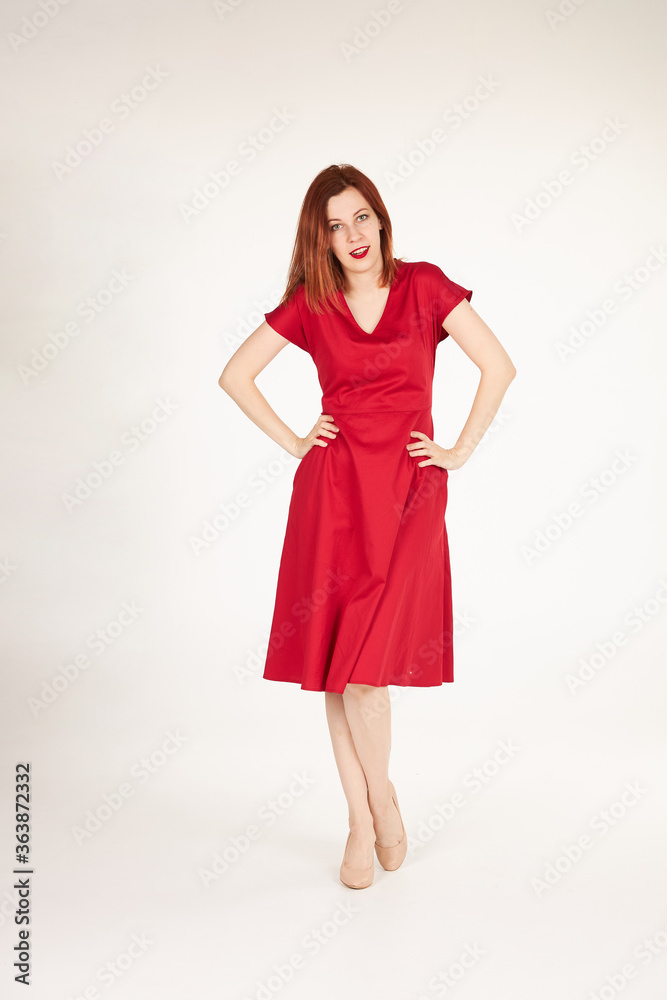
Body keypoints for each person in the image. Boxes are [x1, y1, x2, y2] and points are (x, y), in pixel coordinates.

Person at [219, 163, 516, 889]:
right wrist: (294, 441)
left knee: (366, 677)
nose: (350, 235)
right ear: (318, 240)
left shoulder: (425, 287)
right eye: (333, 226)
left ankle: (376, 799)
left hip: (411, 494)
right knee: (336, 668)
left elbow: (498, 366)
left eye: (360, 218)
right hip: (334, 495)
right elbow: (234, 375)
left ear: (380, 219)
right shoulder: (311, 303)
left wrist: (455, 453)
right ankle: (363, 814)